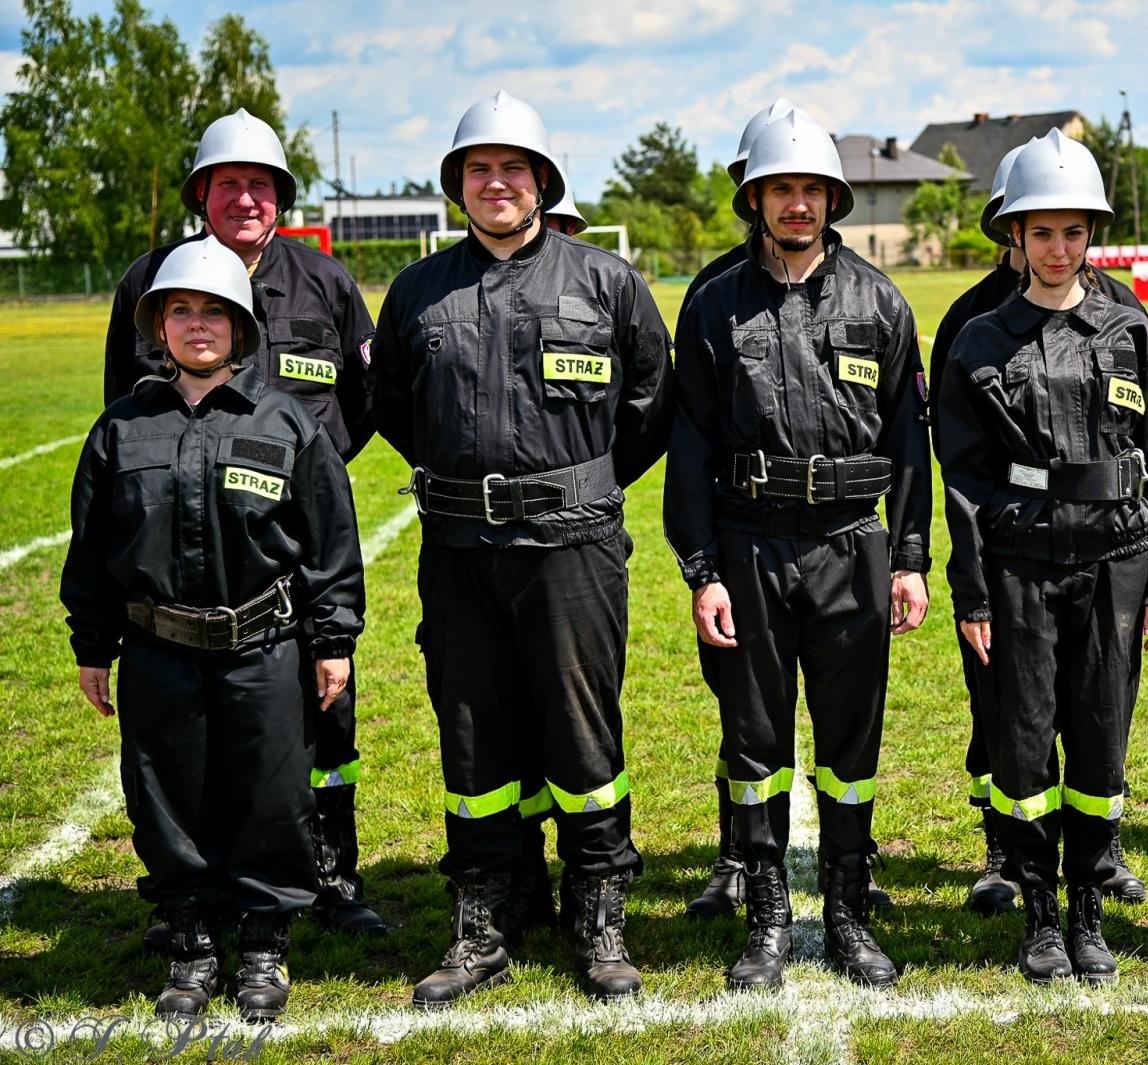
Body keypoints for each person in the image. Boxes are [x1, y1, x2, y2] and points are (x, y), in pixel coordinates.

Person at [374, 89, 674, 1006]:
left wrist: (569, 483)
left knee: (584, 736)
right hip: (459, 546)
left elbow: (651, 409)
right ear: (457, 186)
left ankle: (599, 912)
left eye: (512, 168)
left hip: (573, 544)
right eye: (478, 169)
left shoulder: (605, 282)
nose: (495, 183)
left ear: (543, 180)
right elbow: (392, 409)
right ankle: (484, 919)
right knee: (472, 738)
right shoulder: (419, 289)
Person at [61, 236, 364, 1022]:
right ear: (158, 325)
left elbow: (332, 544)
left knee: (271, 797)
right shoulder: (120, 430)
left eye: (215, 312)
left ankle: (264, 942)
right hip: (159, 652)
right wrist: (93, 646)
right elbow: (91, 550)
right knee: (167, 800)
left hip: (266, 650)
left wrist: (332, 641)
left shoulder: (288, 422)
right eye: (181, 310)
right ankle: (192, 944)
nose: (198, 325)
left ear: (241, 327)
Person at [665, 112, 932, 991]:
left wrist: (909, 558)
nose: (798, 204)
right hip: (749, 544)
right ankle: (769, 914)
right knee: (755, 739)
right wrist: (702, 571)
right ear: (756, 198)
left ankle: (850, 911)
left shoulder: (878, 300)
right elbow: (692, 447)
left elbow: (908, 440)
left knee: (851, 741)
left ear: (832, 199)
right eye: (782, 189)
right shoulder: (714, 302)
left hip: (852, 544)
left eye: (812, 189)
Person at [103, 108, 384, 939]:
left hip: (293, 548)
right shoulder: (147, 281)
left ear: (281, 195)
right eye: (229, 184)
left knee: (323, 717)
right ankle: (208, 888)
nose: (246, 199)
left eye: (261, 184)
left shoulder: (325, 283)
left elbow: (365, 404)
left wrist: (309, 486)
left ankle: (332, 873)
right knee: (199, 727)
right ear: (202, 194)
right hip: (192, 554)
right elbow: (127, 415)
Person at [938, 130, 1148, 986]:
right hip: (1020, 566)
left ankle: (1088, 910)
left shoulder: (1128, 331)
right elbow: (963, 478)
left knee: (1100, 745)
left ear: (1093, 236)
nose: (1057, 248)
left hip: (1115, 566)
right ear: (1013, 237)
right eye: (1039, 232)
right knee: (1021, 748)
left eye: (1072, 232)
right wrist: (972, 591)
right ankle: (1041, 914)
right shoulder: (978, 341)